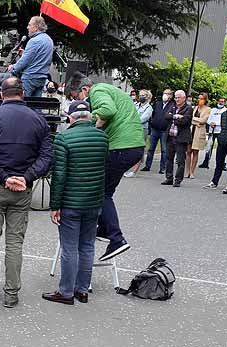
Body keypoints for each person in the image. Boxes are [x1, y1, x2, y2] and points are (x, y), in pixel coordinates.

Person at [0, 76, 52, 307]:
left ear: (2, 94)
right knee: (15, 243)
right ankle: (12, 294)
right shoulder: (38, 120)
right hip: (22, 191)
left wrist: (4, 177)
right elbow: (47, 156)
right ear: (22, 94)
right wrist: (25, 178)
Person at [71, 78, 144, 261]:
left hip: (121, 147)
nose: (84, 104)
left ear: (85, 89)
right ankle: (105, 227)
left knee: (99, 191)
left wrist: (87, 125)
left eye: (80, 97)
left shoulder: (98, 91)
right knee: (106, 191)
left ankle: (116, 238)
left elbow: (107, 110)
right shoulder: (113, 91)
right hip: (132, 145)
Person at [45, 101, 107, 305]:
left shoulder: (63, 138)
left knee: (69, 247)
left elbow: (59, 175)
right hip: (94, 200)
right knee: (87, 245)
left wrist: (55, 205)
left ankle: (66, 292)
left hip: (71, 201)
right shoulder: (102, 138)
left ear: (71, 118)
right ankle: (82, 289)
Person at [10, 16, 54, 97]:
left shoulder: (34, 41)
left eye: (29, 25)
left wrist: (13, 69)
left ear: (36, 27)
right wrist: (24, 53)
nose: (27, 27)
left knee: (23, 106)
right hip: (42, 79)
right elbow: (40, 59)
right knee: (36, 106)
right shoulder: (49, 41)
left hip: (29, 78)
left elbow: (25, 61)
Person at [161, 90, 192, 187]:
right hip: (170, 137)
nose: (177, 99)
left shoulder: (188, 108)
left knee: (180, 160)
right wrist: (176, 116)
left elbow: (185, 121)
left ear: (184, 98)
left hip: (180, 138)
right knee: (169, 158)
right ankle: (169, 178)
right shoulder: (173, 106)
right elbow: (166, 116)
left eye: (179, 97)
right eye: (176, 97)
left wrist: (174, 118)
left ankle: (178, 180)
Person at [143, 89, 173, 173]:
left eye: (167, 94)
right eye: (164, 93)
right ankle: (147, 166)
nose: (165, 95)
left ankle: (162, 168)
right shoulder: (158, 104)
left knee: (164, 150)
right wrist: (152, 123)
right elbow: (153, 114)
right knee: (151, 149)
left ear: (171, 96)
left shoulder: (172, 105)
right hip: (155, 129)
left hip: (164, 131)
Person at [124, 89, 153, 177]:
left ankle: (134, 171)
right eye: (140, 95)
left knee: (139, 149)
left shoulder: (149, 108)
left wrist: (132, 120)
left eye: (143, 95)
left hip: (141, 129)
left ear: (147, 97)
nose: (141, 97)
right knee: (129, 148)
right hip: (132, 128)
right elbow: (129, 114)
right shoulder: (135, 105)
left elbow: (142, 119)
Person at [187, 93, 212, 180]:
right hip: (191, 130)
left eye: (202, 99)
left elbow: (203, 120)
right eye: (198, 98)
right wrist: (196, 122)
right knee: (188, 151)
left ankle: (192, 171)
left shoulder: (208, 109)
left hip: (199, 132)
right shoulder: (194, 108)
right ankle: (187, 171)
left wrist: (195, 120)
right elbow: (189, 118)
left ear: (205, 100)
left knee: (195, 152)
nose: (199, 100)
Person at [200, 99, 224, 169]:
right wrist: (210, 123)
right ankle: (206, 162)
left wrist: (217, 124)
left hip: (220, 131)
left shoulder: (225, 110)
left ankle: (221, 164)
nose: (220, 102)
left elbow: (224, 120)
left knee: (221, 148)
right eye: (219, 101)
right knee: (209, 147)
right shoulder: (213, 110)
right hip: (212, 130)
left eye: (222, 101)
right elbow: (208, 119)